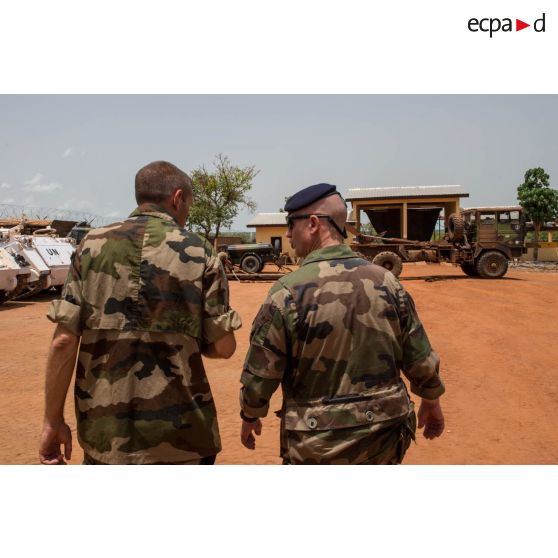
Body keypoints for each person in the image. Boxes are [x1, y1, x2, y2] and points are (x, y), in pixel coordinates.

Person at [39, 161, 241, 465]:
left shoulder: (90, 245)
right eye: (188, 204)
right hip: (183, 440)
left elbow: (62, 342)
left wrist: (52, 422)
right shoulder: (201, 253)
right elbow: (225, 347)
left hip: (105, 437)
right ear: (177, 198)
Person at [239, 183, 445, 464]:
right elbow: (419, 354)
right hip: (384, 437)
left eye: (291, 224)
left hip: (318, 444)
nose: (287, 233)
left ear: (313, 224)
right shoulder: (387, 282)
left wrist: (250, 414)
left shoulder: (287, 293)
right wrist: (431, 400)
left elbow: (261, 372)